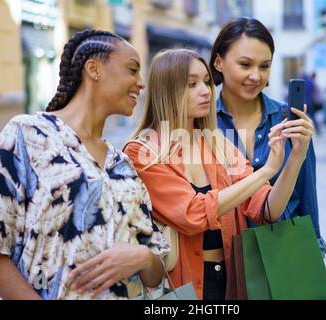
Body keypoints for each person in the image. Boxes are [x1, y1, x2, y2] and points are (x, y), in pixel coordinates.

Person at [0, 29, 168, 300]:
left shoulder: (121, 164)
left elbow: (156, 271)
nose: (141, 83)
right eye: (132, 70)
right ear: (94, 69)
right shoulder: (28, 134)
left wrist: (143, 257)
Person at [123, 48, 314, 300]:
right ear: (167, 90)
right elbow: (193, 214)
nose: (205, 91)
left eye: (206, 82)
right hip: (180, 286)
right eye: (191, 84)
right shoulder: (143, 151)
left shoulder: (218, 145)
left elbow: (268, 209)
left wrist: (296, 158)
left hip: (230, 280)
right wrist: (266, 171)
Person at [209, 18, 326, 256]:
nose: (256, 76)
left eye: (264, 66)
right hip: (225, 261)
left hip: (284, 254)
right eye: (245, 64)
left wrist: (314, 251)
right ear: (219, 62)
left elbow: (307, 195)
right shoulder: (203, 122)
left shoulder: (289, 118)